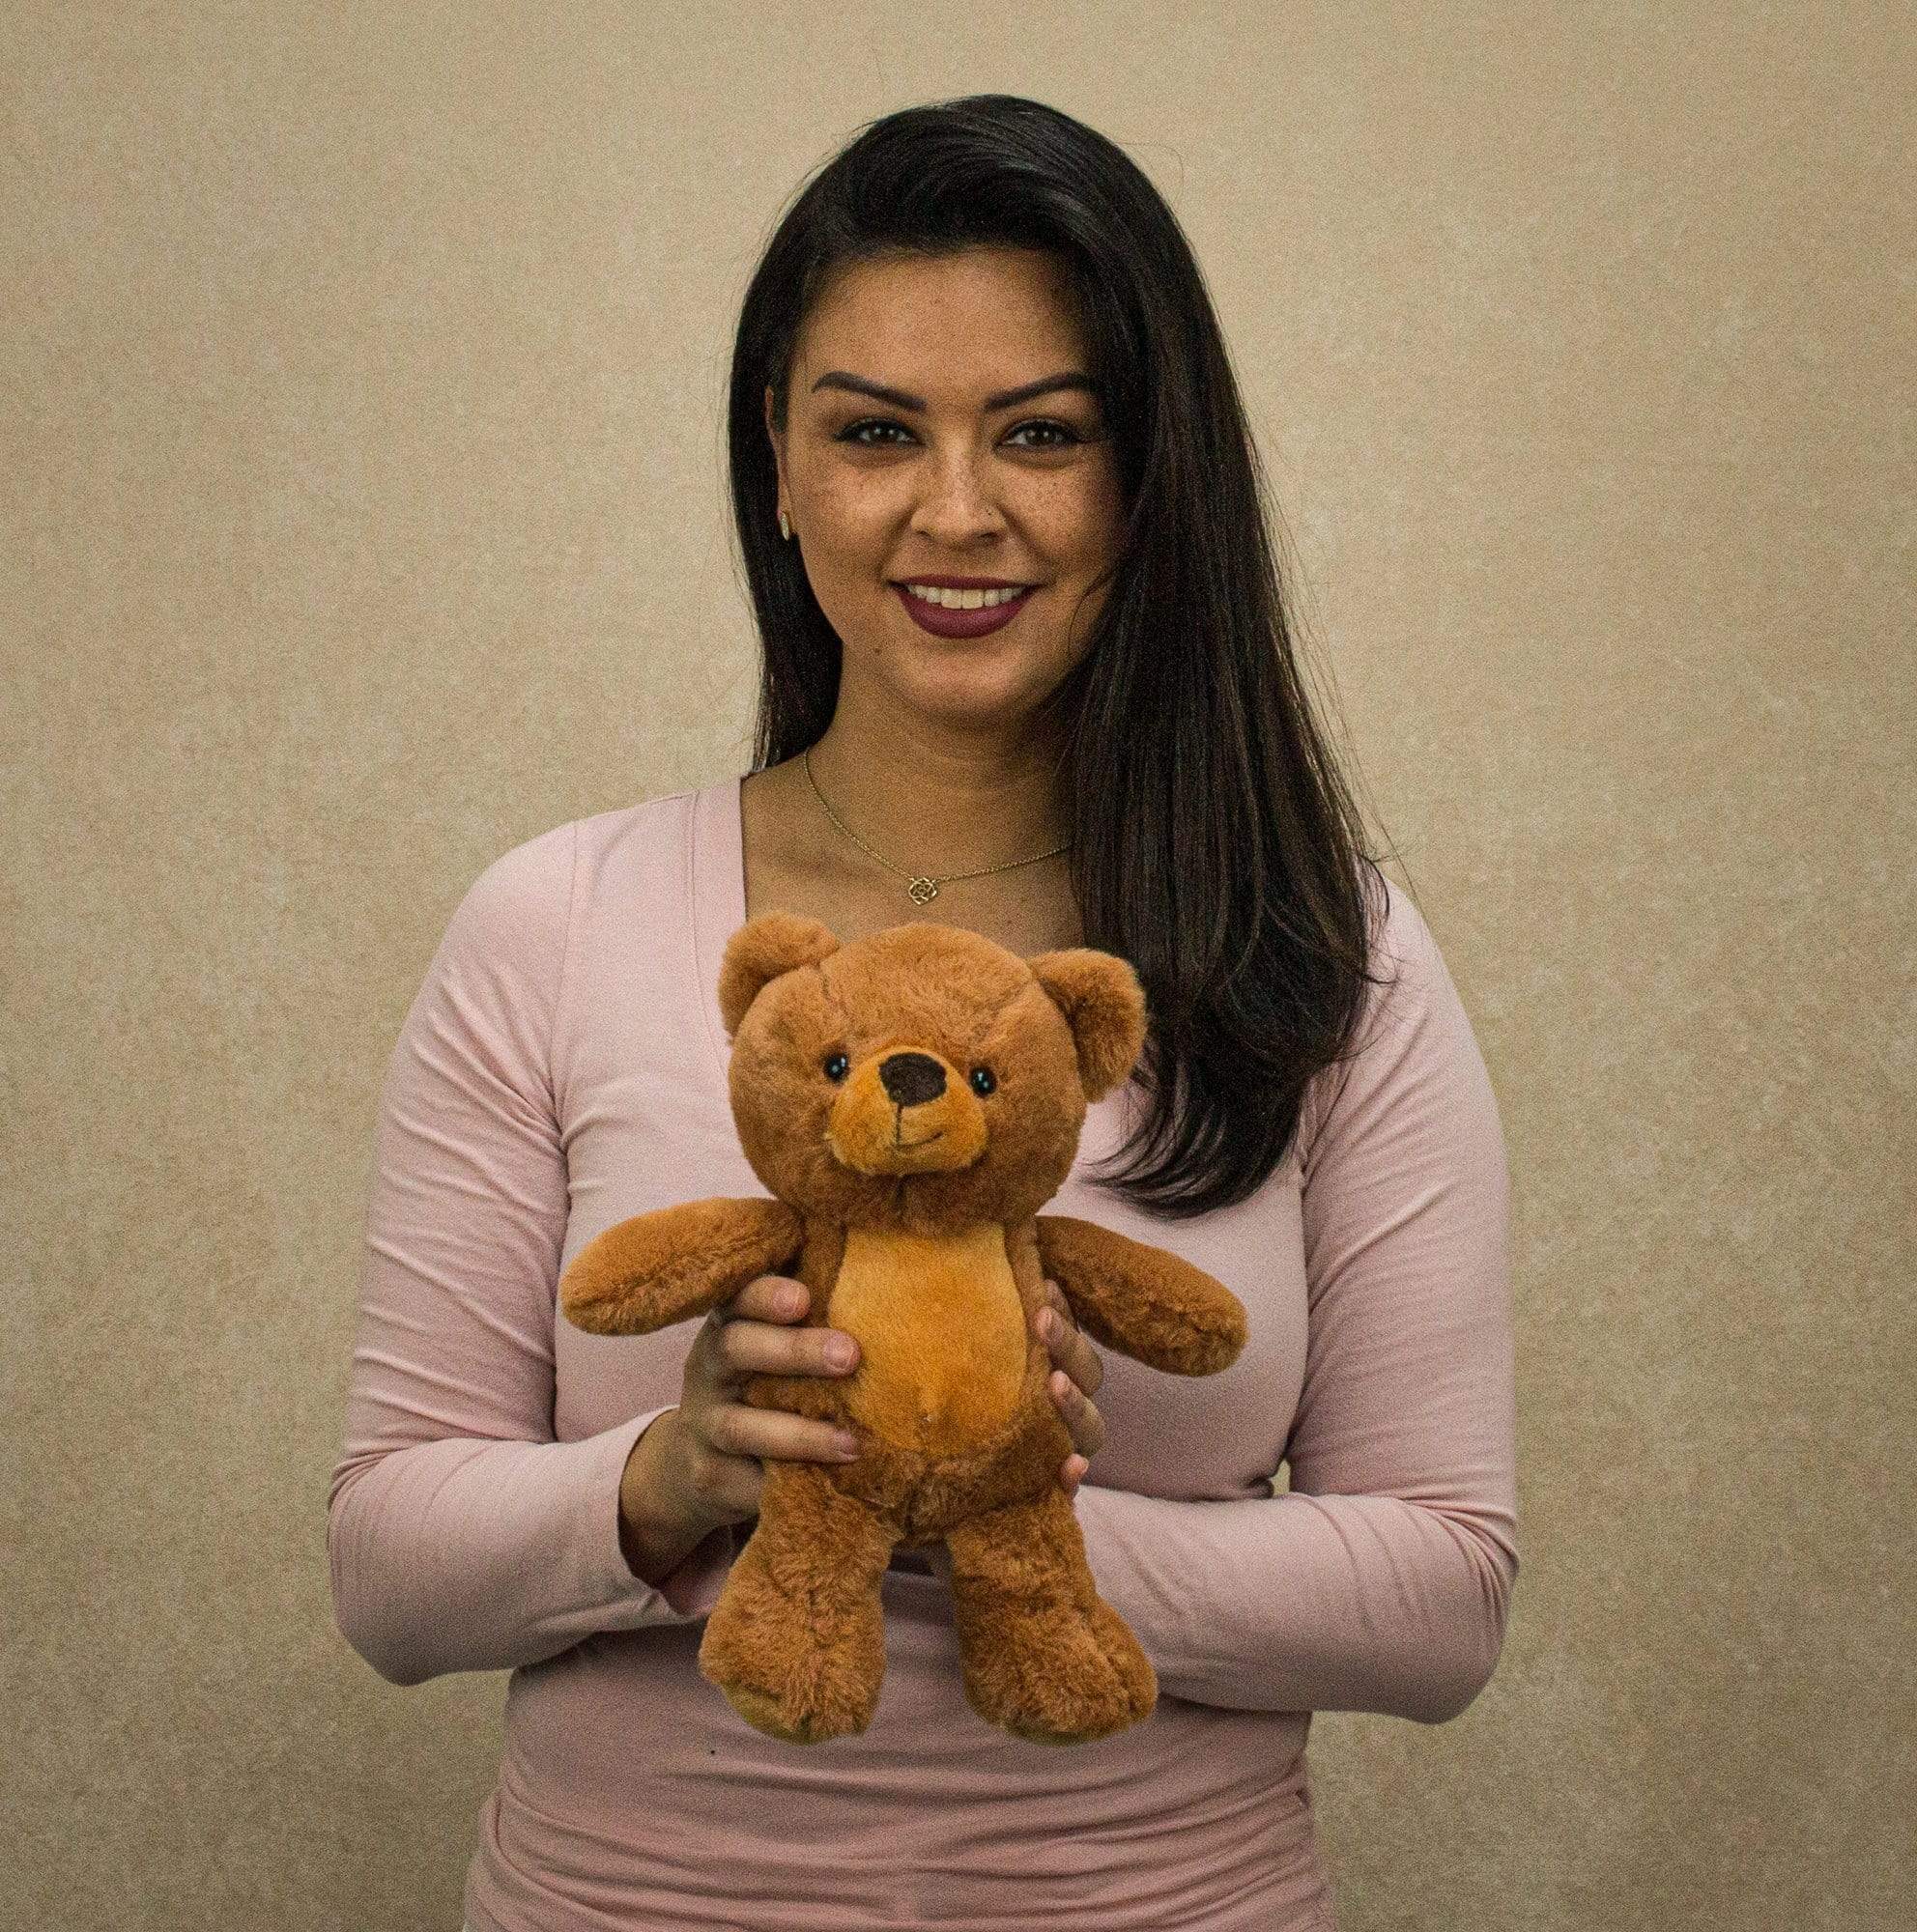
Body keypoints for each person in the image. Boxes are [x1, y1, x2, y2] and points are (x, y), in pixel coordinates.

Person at [329, 93, 1519, 1932]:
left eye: (1042, 433)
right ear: (781, 469)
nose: (956, 512)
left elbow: (1445, 1601)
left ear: (1149, 474)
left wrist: (996, 1506)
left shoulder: (1322, 946)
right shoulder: (552, 923)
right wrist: (675, 1475)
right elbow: (389, 1572)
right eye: (875, 431)